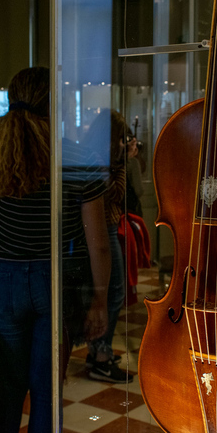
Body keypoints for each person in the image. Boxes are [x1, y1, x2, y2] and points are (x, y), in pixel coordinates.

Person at [0, 67, 111, 433]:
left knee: (7, 388)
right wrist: (100, 300)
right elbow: (98, 242)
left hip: (6, 279)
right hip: (58, 279)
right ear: (55, 104)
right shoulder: (79, 156)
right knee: (46, 393)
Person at [83, 109, 134, 383]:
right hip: (100, 229)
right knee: (111, 292)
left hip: (106, 226)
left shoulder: (106, 159)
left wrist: (119, 162)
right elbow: (113, 193)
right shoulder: (97, 159)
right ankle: (100, 356)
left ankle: (99, 351)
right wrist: (117, 164)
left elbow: (116, 194)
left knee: (112, 291)